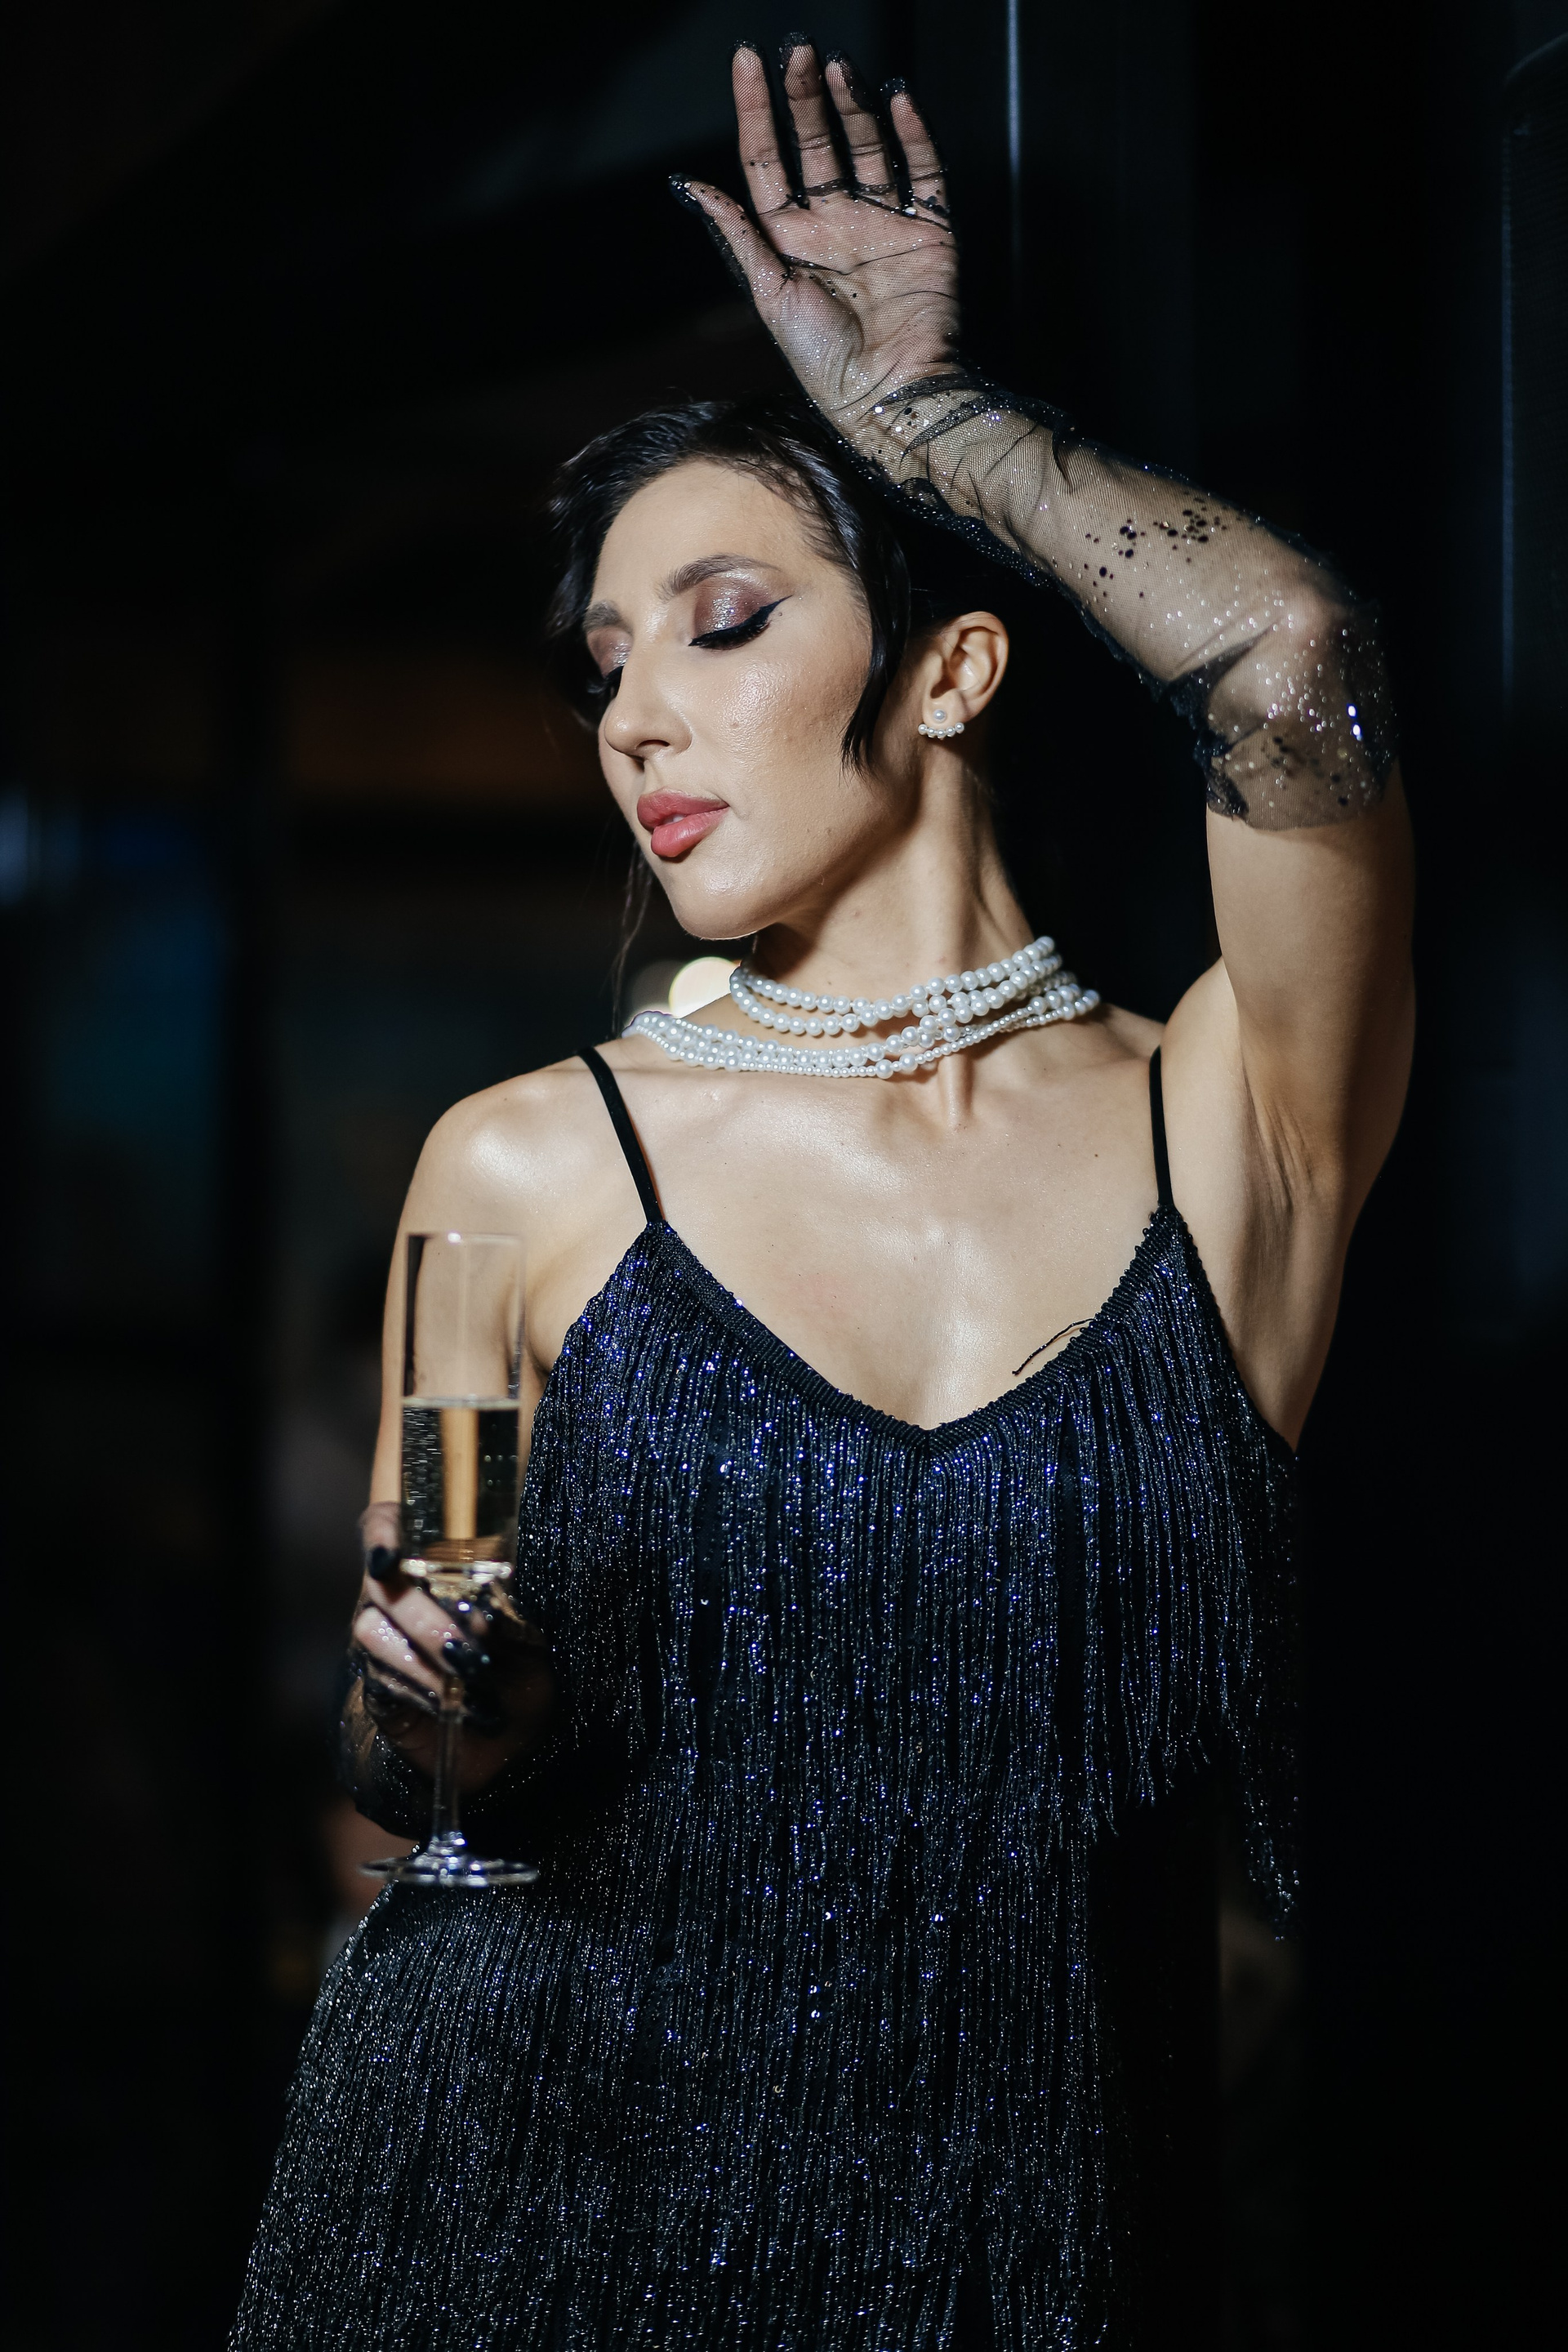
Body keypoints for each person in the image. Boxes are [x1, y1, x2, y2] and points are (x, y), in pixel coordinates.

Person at [232, 41, 1413, 2352]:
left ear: (951, 667)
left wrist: (935, 427)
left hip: (1048, 2241)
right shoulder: (526, 1162)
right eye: (605, 664)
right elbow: (413, 1751)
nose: (632, 719)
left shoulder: (1226, 1125)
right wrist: (448, 1693)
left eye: (723, 621)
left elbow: (1298, 665)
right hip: (538, 2214)